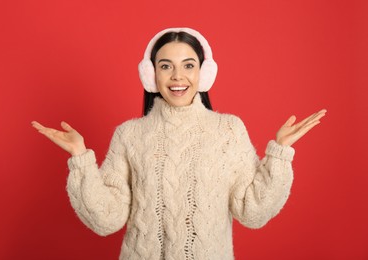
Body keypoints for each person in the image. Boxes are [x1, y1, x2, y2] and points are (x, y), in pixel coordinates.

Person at [32, 27, 326, 259]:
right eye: (165, 66)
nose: (177, 76)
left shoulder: (229, 130)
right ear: (151, 74)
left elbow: (252, 212)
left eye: (188, 65)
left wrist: (279, 153)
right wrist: (80, 157)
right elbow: (106, 219)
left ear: (203, 72)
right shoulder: (129, 135)